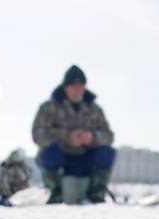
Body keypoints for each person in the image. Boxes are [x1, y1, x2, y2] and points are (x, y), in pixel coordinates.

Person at [32, 65, 116, 204]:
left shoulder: (94, 109)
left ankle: (96, 195)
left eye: (80, 86)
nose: (76, 90)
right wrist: (66, 137)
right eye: (72, 86)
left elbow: (109, 136)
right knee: (50, 153)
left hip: (86, 159)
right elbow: (37, 134)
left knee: (106, 152)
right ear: (65, 87)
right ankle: (55, 194)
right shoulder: (49, 107)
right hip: (61, 159)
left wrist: (92, 137)